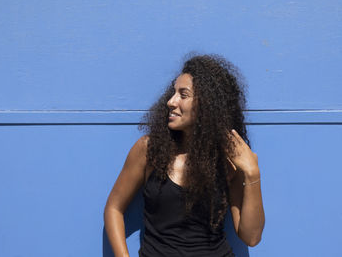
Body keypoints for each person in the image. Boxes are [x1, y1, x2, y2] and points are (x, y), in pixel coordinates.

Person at [104, 54, 265, 257]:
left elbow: (251, 237)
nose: (171, 101)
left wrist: (252, 173)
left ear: (206, 105)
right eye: (173, 93)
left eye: (183, 94)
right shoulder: (149, 150)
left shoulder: (229, 160)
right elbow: (113, 208)